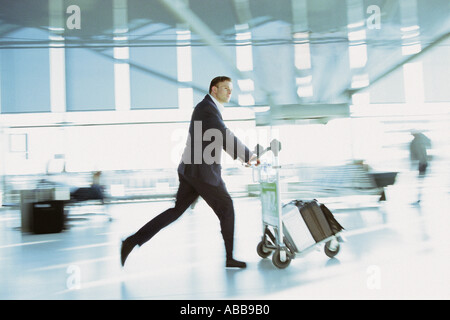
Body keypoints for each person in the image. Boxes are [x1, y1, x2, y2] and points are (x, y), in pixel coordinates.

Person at [120, 76, 260, 268]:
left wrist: (245, 157)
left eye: (230, 89)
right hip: (202, 173)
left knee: (176, 211)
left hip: (192, 171)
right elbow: (223, 135)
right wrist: (248, 156)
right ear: (214, 90)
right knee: (226, 207)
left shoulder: (208, 108)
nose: (229, 92)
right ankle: (229, 258)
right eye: (225, 88)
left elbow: (215, 140)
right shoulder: (207, 109)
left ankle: (131, 241)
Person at [409, 131, 431, 203]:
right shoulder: (421, 141)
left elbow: (413, 154)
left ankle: (419, 197)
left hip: (421, 163)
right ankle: (419, 196)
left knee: (420, 180)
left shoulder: (415, 142)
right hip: (423, 162)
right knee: (420, 180)